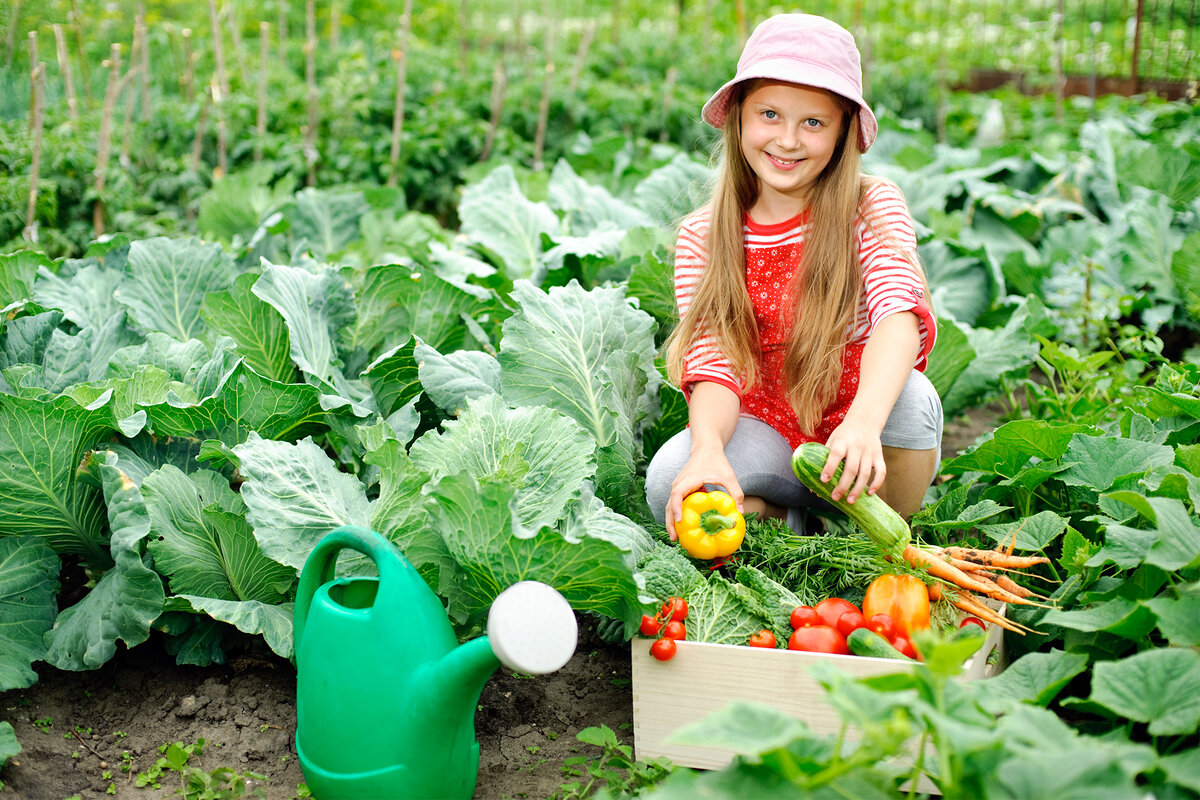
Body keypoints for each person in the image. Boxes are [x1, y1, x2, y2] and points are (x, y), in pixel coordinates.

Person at [645, 13, 943, 542]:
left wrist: (865, 421)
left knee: (912, 399)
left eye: (813, 122)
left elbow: (898, 311)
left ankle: (880, 541)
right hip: (764, 426)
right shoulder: (703, 235)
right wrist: (709, 449)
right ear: (739, 118)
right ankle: (794, 521)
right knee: (672, 477)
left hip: (858, 412)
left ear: (843, 131)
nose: (786, 140)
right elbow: (714, 360)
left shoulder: (870, 204)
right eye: (769, 114)